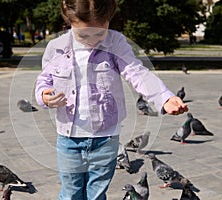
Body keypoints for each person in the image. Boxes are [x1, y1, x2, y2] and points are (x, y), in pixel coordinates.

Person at [35, 0, 188, 199]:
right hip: (69, 138)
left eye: (99, 33)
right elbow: (44, 79)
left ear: (109, 19)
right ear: (69, 19)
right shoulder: (56, 47)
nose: (92, 40)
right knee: (71, 194)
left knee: (96, 194)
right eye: (83, 34)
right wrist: (44, 95)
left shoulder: (116, 43)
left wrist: (163, 97)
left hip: (105, 138)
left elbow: (136, 72)